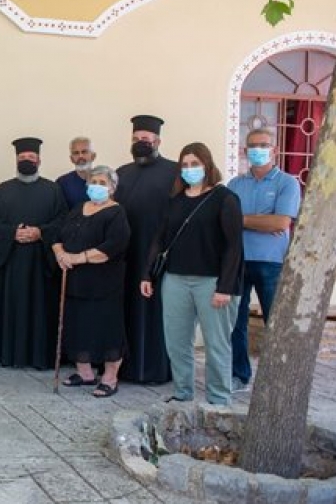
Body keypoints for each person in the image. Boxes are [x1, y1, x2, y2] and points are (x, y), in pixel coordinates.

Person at [141, 142, 243, 405]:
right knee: (177, 343)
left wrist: (226, 287)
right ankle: (183, 394)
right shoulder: (174, 201)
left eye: (195, 164)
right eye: (185, 165)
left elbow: (234, 247)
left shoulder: (225, 199)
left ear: (207, 165)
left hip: (212, 283)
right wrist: (146, 274)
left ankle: (219, 400)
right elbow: (159, 239)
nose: (190, 169)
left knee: (216, 345)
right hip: (175, 279)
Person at [227, 128, 301, 390]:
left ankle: (278, 379)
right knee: (236, 322)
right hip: (238, 260)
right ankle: (239, 374)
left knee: (276, 322)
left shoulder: (287, 183)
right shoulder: (235, 185)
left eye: (264, 145)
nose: (258, 150)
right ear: (245, 151)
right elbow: (226, 222)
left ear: (274, 150)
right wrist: (263, 221)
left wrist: (242, 220)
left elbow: (281, 222)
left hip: (272, 262)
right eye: (253, 146)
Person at [0, 137, 68, 369]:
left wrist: (40, 232)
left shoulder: (53, 190)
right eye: (22, 158)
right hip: (11, 263)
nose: (26, 161)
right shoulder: (2, 190)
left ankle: (39, 358)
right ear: (16, 160)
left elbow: (62, 220)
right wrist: (13, 232)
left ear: (39, 160)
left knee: (40, 309)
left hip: (41, 264)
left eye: (31, 158)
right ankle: (6, 355)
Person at [52, 165, 130, 398]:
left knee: (106, 328)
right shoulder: (78, 208)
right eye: (93, 182)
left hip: (103, 283)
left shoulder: (116, 213)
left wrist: (77, 257)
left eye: (102, 183)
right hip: (76, 281)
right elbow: (58, 235)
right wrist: (59, 253)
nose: (96, 187)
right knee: (78, 327)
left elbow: (112, 247)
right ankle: (84, 373)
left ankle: (110, 377)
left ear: (112, 188)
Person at [114, 114, 178, 385]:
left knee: (157, 313)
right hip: (126, 255)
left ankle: (156, 370)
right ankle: (125, 368)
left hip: (158, 255)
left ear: (157, 141)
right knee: (126, 311)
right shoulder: (122, 172)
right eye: (136, 138)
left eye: (146, 138)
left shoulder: (174, 171)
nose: (141, 142)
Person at [55, 136, 97, 210]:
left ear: (93, 156)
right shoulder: (62, 183)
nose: (80, 156)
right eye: (76, 153)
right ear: (71, 159)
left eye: (84, 152)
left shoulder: (104, 180)